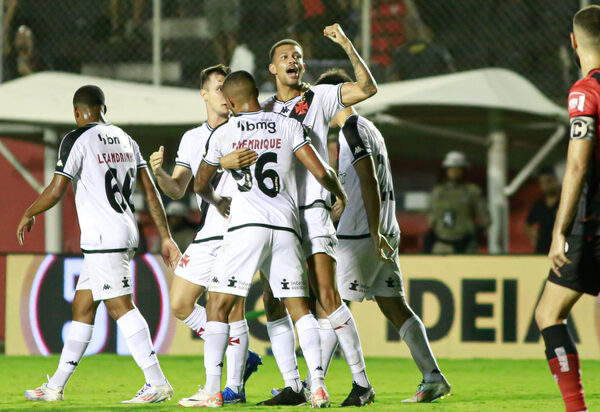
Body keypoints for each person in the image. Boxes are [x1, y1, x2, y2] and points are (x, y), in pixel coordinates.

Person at [178, 70, 347, 408]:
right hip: (286, 227)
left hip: (246, 228)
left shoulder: (225, 132)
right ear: (258, 91)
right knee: (300, 308)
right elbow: (319, 171)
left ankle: (214, 389)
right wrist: (340, 194)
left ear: (228, 101)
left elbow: (197, 185)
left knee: (218, 304)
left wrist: (221, 177)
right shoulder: (287, 125)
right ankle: (317, 386)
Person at [16, 85, 180, 403]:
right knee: (83, 307)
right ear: (105, 108)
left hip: (105, 238)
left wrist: (29, 211)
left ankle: (157, 381)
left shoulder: (76, 139)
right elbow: (151, 192)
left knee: (120, 307)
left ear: (77, 112)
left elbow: (56, 188)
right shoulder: (126, 140)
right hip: (121, 232)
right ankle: (56, 387)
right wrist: (165, 235)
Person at [315, 68, 451, 403]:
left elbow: (368, 180)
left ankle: (313, 382)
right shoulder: (369, 128)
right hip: (383, 229)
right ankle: (434, 377)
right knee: (394, 305)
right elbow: (363, 181)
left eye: (319, 101)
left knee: (334, 305)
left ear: (335, 97)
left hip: (362, 235)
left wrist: (373, 231)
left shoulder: (350, 131)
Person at [259, 24, 378, 407]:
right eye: (285, 57)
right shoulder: (264, 111)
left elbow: (367, 88)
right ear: (273, 69)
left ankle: (361, 383)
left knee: (327, 297)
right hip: (278, 217)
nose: (293, 60)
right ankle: (297, 385)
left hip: (311, 211)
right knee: (276, 300)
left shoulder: (322, 97)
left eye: (297, 55)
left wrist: (346, 45)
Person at [149, 64, 262, 404]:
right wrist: (160, 174)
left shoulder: (245, 128)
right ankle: (241, 358)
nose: (224, 95)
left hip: (239, 229)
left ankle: (233, 387)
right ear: (204, 93)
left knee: (233, 308)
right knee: (180, 303)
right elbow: (178, 189)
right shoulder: (193, 138)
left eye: (228, 89)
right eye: (217, 88)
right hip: (209, 229)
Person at [536, 6, 600, 412]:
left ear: (574, 41)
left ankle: (576, 408)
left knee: (549, 312)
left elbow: (577, 164)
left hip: (592, 222)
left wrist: (559, 230)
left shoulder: (585, 91)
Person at [427, 151, 490, 254]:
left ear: (463, 170)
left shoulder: (472, 192)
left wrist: (472, 231)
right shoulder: (438, 192)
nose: (454, 172)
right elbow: (431, 218)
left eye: (457, 168)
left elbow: (486, 219)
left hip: (466, 244)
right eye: (451, 168)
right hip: (442, 243)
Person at [525, 169, 561, 254]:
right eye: (542, 183)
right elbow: (528, 224)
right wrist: (533, 235)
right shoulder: (538, 205)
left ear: (556, 181)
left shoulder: (564, 203)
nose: (545, 185)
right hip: (542, 250)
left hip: (560, 248)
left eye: (548, 181)